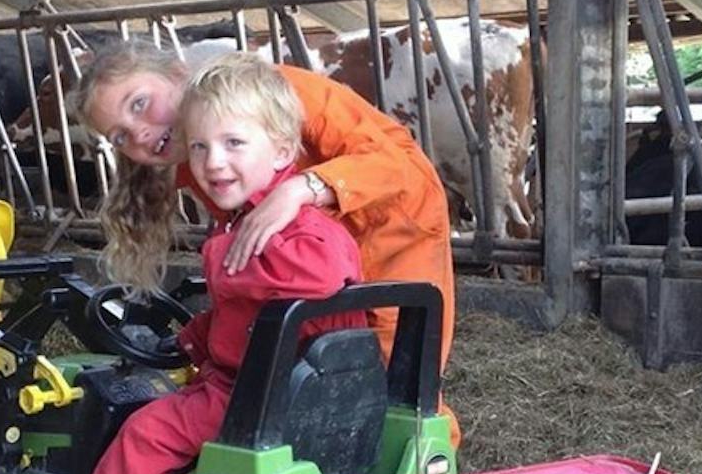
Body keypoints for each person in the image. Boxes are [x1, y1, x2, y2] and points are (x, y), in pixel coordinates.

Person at [33, 57, 367, 474]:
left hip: (257, 396)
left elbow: (322, 274)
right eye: (201, 150)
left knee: (144, 434)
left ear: (284, 153)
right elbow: (254, 310)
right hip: (273, 381)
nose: (215, 163)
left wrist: (221, 264)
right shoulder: (250, 220)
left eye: (235, 143)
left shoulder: (300, 227)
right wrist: (195, 335)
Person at [71, 40, 457, 406]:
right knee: (325, 366)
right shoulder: (200, 158)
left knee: (400, 375)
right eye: (119, 136)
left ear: (177, 73)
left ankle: (437, 466)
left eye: (140, 103)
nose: (139, 132)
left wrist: (300, 189)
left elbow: (395, 167)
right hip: (315, 256)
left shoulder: (273, 92)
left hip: (393, 226)